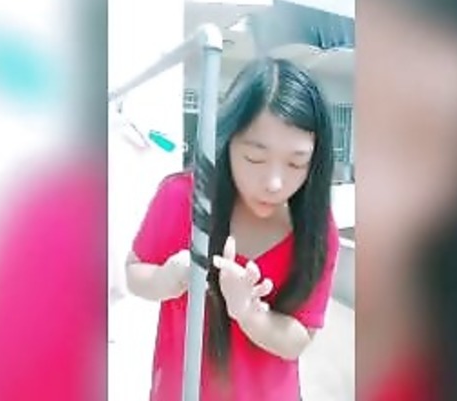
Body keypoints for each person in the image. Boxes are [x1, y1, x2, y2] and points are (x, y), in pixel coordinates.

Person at [126, 57, 339, 401]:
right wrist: (169, 279)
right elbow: (134, 272)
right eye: (255, 158)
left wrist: (249, 314)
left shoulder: (316, 229)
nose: (274, 183)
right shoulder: (183, 198)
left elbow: (298, 338)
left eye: (296, 163)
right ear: (226, 141)